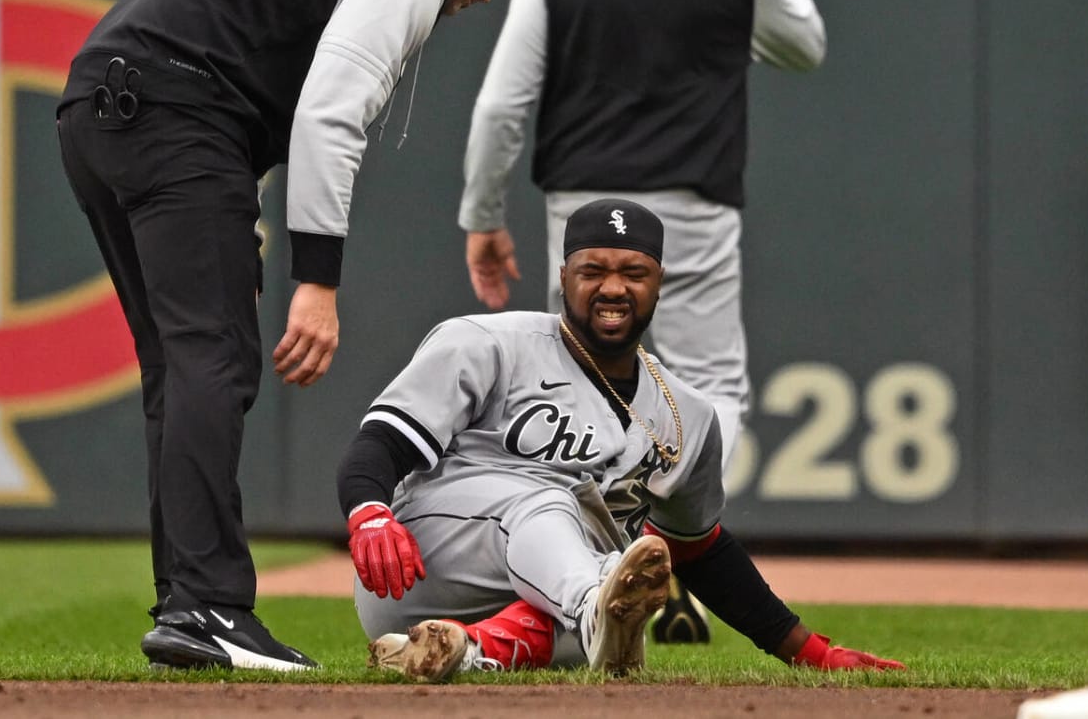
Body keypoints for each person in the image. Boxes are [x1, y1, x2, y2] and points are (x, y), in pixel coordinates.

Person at [55, 0, 528, 672]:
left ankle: (188, 601)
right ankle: (208, 605)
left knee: (181, 365)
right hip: (176, 114)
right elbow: (329, 115)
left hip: (99, 110)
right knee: (213, 358)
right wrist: (318, 278)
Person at [457, 0, 823, 644]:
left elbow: (501, 106)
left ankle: (586, 573)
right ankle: (660, 545)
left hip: (583, 213)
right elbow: (804, 47)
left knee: (577, 394)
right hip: (690, 214)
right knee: (710, 400)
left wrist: (482, 218)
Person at [335, 198, 903, 679]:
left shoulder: (689, 415)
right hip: (423, 566)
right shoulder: (488, 342)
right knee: (556, 510)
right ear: (563, 277)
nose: (614, 288)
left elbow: (700, 549)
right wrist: (368, 512)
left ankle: (465, 649)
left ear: (659, 283)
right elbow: (382, 441)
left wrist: (810, 651)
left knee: (596, 608)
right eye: (593, 271)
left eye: (634, 273)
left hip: (543, 589)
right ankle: (594, 607)